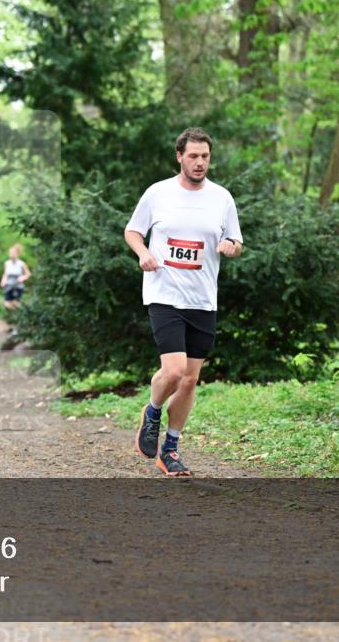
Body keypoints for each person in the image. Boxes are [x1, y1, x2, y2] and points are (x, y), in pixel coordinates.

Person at [124, 127, 242, 477]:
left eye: (205, 156)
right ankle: (152, 411)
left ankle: (170, 449)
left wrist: (231, 246)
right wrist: (143, 253)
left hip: (202, 299)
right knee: (174, 371)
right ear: (179, 157)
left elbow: (236, 240)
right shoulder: (158, 193)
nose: (199, 162)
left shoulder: (222, 198)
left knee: (189, 381)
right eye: (193, 156)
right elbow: (133, 231)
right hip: (164, 294)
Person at [0, 244, 32, 310]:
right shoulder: (7, 263)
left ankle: (20, 313)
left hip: (17, 285)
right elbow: (5, 274)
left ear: (17, 254)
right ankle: (13, 314)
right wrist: (3, 280)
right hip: (8, 285)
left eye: (13, 253)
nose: (11, 254)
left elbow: (28, 274)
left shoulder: (21, 263)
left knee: (15, 303)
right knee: (7, 304)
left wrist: (23, 277)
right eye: (10, 252)